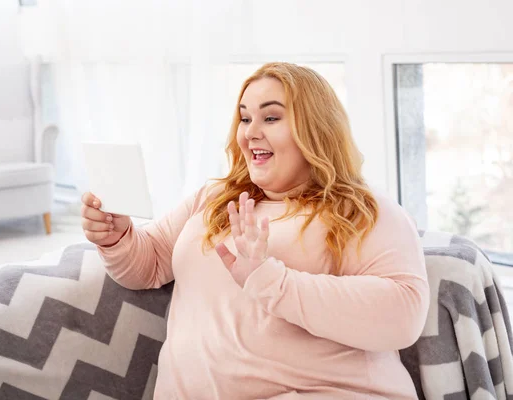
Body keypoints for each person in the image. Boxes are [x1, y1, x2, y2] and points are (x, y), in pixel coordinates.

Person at [80, 62, 429, 399]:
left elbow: (403, 314)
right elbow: (150, 262)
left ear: (316, 129)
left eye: (271, 117)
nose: (250, 132)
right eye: (245, 118)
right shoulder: (214, 198)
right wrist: (116, 237)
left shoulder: (363, 210)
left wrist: (270, 281)